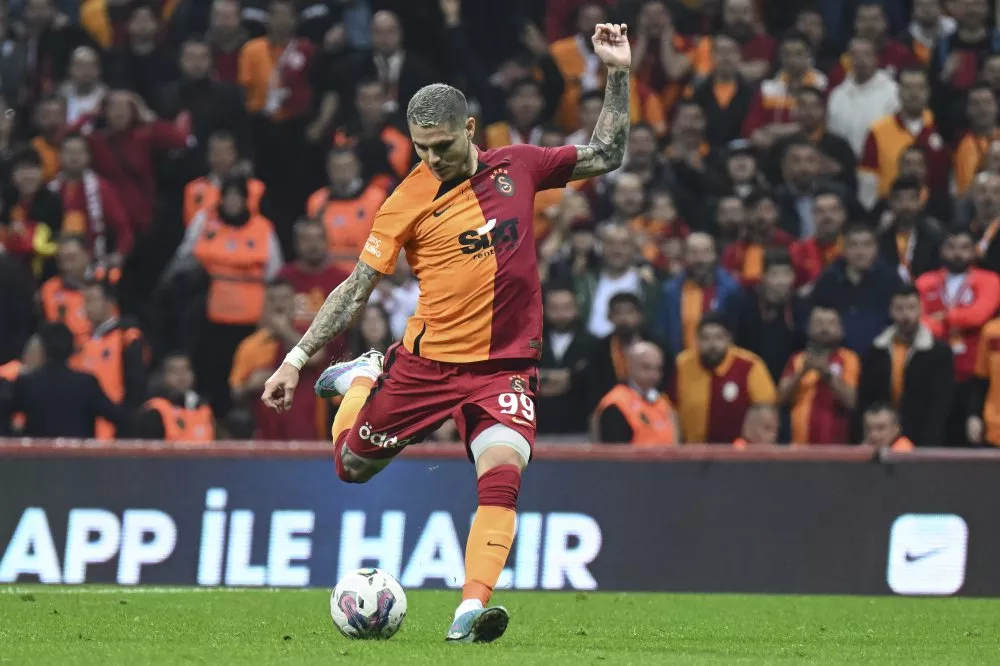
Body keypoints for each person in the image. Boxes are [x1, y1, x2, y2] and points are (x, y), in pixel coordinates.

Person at [261, 22, 633, 643]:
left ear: (469, 129)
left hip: (505, 367)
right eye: (420, 148)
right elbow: (355, 288)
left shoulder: (519, 166)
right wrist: (296, 359)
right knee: (351, 467)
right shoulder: (404, 202)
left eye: (440, 145)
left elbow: (607, 154)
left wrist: (617, 73)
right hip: (426, 365)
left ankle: (470, 608)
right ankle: (361, 379)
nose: (431, 159)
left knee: (504, 472)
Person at [856, 285, 953, 446]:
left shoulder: (938, 352)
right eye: (899, 309)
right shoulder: (876, 350)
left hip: (923, 438)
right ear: (890, 310)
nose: (906, 315)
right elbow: (865, 399)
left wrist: (929, 444)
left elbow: (941, 404)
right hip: (880, 438)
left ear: (921, 309)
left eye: (911, 308)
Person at [1, 322, 123, 438]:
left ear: (43, 349)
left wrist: (17, 437)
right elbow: (118, 417)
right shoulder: (85, 383)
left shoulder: (27, 383)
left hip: (38, 452)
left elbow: (4, 416)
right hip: (78, 452)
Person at [670, 311, 776, 444]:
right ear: (697, 340)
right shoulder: (682, 364)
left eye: (718, 337)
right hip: (692, 450)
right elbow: (671, 410)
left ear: (729, 339)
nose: (712, 344)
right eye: (705, 338)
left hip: (738, 452)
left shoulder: (750, 365)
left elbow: (766, 412)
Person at [777, 307, 859, 445]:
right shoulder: (798, 359)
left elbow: (851, 401)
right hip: (798, 445)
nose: (824, 328)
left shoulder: (849, 358)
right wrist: (802, 372)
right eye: (819, 323)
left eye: (830, 323)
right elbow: (780, 398)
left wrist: (826, 373)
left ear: (841, 329)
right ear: (809, 328)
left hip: (836, 446)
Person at [593, 340, 678, 445]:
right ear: (629, 367)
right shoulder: (616, 404)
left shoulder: (663, 404)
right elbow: (614, 451)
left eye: (658, 369)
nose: (654, 375)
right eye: (646, 367)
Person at [134, 352, 216, 442]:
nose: (182, 375)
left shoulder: (203, 408)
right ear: (163, 376)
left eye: (186, 369)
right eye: (174, 371)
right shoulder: (155, 409)